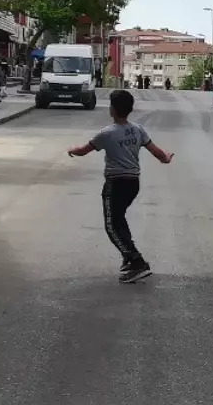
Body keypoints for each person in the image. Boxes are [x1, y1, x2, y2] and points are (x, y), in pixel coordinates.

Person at [67, 89, 173, 284]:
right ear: (130, 109)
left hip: (115, 183)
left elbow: (84, 151)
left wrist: (71, 150)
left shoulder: (107, 133)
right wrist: (165, 158)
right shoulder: (138, 130)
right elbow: (156, 151)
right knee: (119, 219)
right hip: (133, 183)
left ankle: (136, 261)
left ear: (113, 110)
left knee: (111, 224)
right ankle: (128, 257)